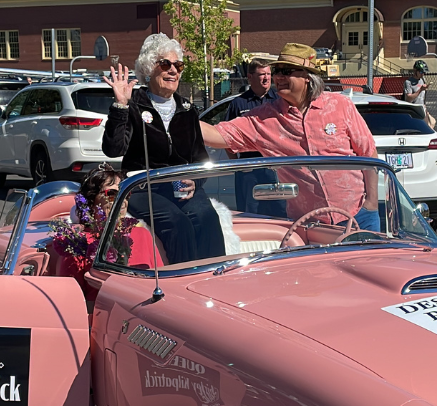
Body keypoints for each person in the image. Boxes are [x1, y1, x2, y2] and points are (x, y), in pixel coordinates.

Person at [199, 42, 381, 231]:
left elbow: (368, 153)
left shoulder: (340, 105)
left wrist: (372, 202)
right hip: (309, 225)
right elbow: (216, 135)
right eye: (276, 70)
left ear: (308, 77)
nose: (278, 77)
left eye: (286, 71)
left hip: (360, 215)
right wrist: (173, 111)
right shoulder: (264, 117)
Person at [102, 33, 225, 265]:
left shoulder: (187, 110)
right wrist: (120, 105)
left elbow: (201, 159)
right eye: (165, 64)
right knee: (176, 223)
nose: (173, 71)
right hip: (143, 188)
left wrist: (195, 181)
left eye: (178, 65)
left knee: (208, 218)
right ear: (149, 68)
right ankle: (179, 284)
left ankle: (215, 279)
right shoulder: (135, 104)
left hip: (181, 186)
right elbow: (113, 149)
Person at [223, 58, 283, 217]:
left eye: (269, 74)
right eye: (262, 74)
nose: (266, 78)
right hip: (249, 170)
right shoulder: (238, 104)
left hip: (278, 168)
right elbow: (226, 138)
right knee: (251, 215)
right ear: (250, 77)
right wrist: (238, 165)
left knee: (281, 215)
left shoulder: (281, 101)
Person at [404, 60, 437, 129]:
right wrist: (420, 90)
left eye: (424, 72)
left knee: (431, 124)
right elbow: (408, 98)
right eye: (421, 72)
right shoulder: (408, 82)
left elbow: (422, 97)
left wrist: (425, 108)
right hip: (413, 111)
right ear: (415, 71)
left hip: (422, 109)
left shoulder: (422, 80)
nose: (423, 74)